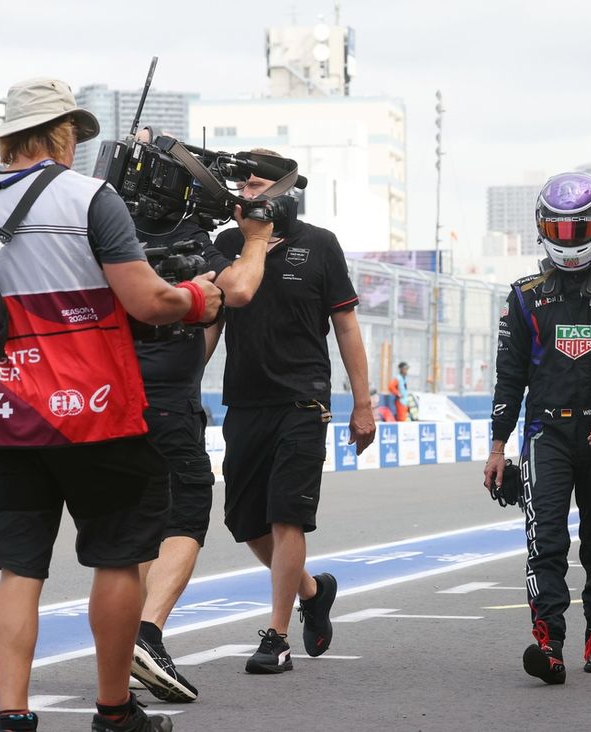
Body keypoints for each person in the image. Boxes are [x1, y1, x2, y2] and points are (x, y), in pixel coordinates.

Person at [0, 78, 220, 732]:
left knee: (19, 570)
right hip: (97, 411)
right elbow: (147, 302)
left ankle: (13, 715)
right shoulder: (90, 198)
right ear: (64, 132)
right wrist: (199, 296)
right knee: (119, 559)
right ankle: (113, 711)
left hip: (9, 414)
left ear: (9, 136)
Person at [483, 171, 591, 685]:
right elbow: (508, 376)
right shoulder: (523, 295)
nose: (568, 240)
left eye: (577, 229)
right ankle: (549, 642)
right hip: (546, 435)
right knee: (546, 538)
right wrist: (497, 447)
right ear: (542, 229)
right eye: (557, 230)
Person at [209, 157, 376, 674]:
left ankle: (276, 637)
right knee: (243, 519)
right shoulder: (226, 245)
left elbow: (346, 327)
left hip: (303, 399)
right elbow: (212, 319)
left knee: (287, 513)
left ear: (287, 190)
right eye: (242, 183)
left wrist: (363, 404)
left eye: (256, 184)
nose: (245, 191)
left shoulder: (319, 243)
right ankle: (311, 590)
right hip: (244, 401)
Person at [127, 131, 274, 704]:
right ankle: (144, 633)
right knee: (185, 515)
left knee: (131, 527)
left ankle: (120, 647)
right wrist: (256, 238)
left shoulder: (107, 230)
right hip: (164, 400)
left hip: (108, 398)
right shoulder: (183, 237)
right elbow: (235, 289)